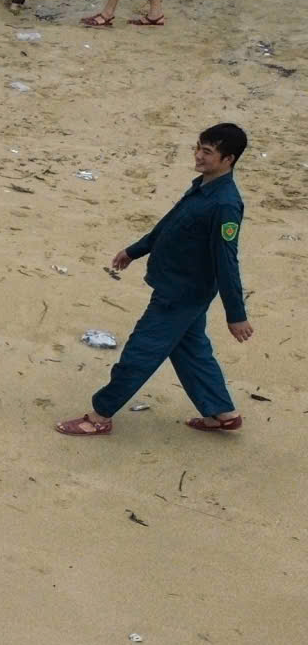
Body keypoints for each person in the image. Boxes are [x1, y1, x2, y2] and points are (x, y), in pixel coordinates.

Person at [58, 125, 254, 438]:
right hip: (175, 287)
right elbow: (170, 224)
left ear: (228, 159)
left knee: (140, 353)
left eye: (207, 152)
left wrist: (236, 314)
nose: (198, 156)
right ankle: (222, 412)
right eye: (198, 148)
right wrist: (135, 251)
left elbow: (226, 262)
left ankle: (99, 415)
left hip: (181, 295)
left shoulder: (225, 204)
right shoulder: (203, 187)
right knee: (191, 350)